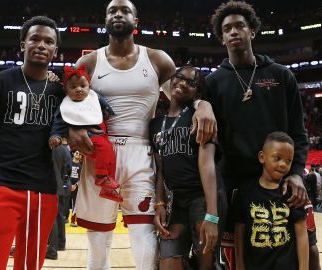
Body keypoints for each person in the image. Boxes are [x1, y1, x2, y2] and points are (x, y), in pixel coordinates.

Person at [69, 0, 217, 268]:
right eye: (112, 10)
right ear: (105, 20)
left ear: (135, 22)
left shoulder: (157, 59)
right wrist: (72, 128)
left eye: (124, 10)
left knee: (145, 244)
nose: (118, 14)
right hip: (100, 154)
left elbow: (183, 97)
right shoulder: (89, 61)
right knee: (98, 243)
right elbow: (68, 104)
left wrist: (202, 104)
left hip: (141, 151)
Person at [206, 1, 316, 269]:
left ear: (252, 31)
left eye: (240, 26)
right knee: (239, 258)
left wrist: (296, 173)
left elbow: (298, 133)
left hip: (282, 182)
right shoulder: (213, 82)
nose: (234, 32)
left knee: (308, 253)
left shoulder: (281, 75)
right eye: (227, 28)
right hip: (237, 188)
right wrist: (201, 105)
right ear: (222, 38)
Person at [0, 16, 63, 270]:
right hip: (1, 185)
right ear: (23, 44)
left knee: (29, 267)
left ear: (55, 50)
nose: (41, 45)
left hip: (44, 190)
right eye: (34, 38)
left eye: (48, 41)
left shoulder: (61, 92)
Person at [151, 66, 227, 270]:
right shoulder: (156, 123)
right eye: (179, 77)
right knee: (168, 262)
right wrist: (159, 204)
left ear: (197, 92)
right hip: (174, 201)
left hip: (202, 198)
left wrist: (212, 215)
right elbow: (160, 170)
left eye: (191, 83)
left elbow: (208, 164)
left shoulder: (200, 116)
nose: (182, 83)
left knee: (206, 263)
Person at [233, 132, 308, 270]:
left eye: (288, 161)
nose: (283, 164)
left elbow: (302, 234)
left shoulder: (292, 192)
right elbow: (239, 232)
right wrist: (239, 265)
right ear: (262, 157)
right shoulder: (245, 192)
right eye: (277, 158)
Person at [50, 65, 121, 202]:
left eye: (83, 85)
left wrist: (107, 112)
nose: (79, 89)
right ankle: (101, 177)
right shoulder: (65, 106)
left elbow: (103, 105)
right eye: (73, 87)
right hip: (89, 138)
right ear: (65, 90)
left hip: (99, 137)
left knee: (110, 158)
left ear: (89, 86)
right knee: (105, 149)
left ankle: (108, 188)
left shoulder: (94, 97)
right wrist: (55, 136)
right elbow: (58, 123)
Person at [46, 137, 72, 260]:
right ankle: (60, 244)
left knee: (53, 217)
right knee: (59, 216)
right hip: (63, 185)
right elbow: (67, 169)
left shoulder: (54, 149)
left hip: (55, 185)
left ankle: (52, 247)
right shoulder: (65, 150)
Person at [69, 151, 83, 227]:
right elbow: (65, 173)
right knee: (64, 203)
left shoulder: (81, 165)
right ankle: (62, 219)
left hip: (77, 187)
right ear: (74, 154)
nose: (78, 154)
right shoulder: (69, 162)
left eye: (80, 154)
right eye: (77, 153)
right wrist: (69, 184)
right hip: (67, 185)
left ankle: (73, 220)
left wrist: (75, 185)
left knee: (76, 203)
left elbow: (81, 177)